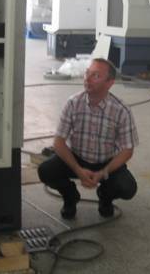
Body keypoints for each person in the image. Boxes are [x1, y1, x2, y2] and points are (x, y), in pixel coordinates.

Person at [38, 58, 138, 219]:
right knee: (46, 171)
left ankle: (105, 197)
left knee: (127, 187)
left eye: (95, 75)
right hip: (76, 158)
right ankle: (70, 196)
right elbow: (59, 142)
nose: (87, 79)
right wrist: (78, 170)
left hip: (106, 162)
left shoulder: (121, 111)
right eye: (87, 73)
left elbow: (127, 150)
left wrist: (103, 172)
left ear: (110, 83)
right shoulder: (73, 104)